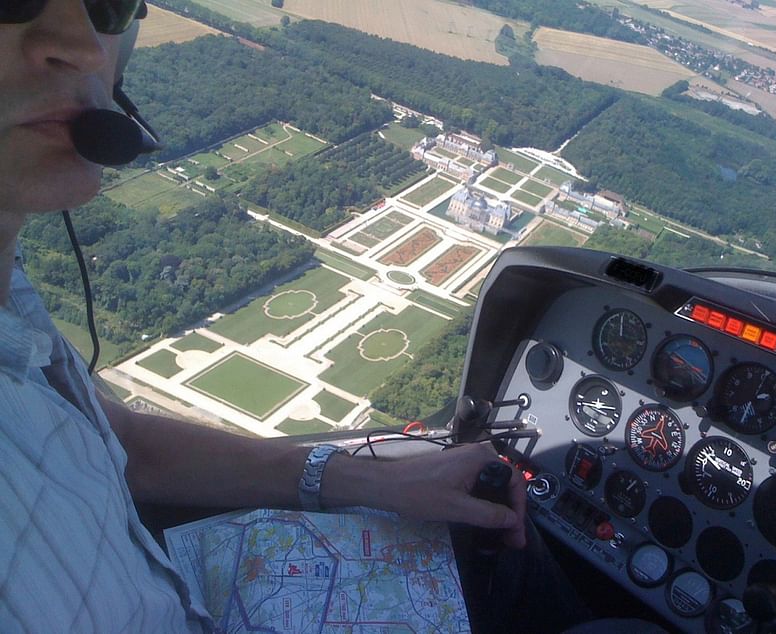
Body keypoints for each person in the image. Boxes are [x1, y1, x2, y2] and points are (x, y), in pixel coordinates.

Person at [0, 2, 669, 633]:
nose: (83, 46)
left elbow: (126, 447)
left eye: (108, 3)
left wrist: (366, 477)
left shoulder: (12, 294)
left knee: (496, 545)